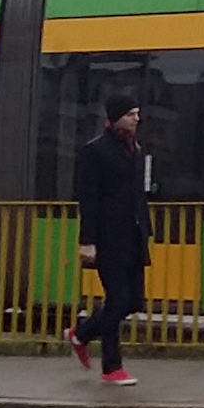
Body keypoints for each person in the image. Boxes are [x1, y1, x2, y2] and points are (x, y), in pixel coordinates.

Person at [68, 90, 151, 386]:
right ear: (116, 118)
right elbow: (88, 198)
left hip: (134, 236)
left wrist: (146, 231)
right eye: (131, 114)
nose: (137, 118)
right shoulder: (95, 151)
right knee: (118, 299)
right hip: (108, 238)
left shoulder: (136, 150)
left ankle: (81, 334)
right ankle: (111, 367)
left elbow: (138, 195)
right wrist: (87, 240)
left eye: (137, 113)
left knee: (132, 302)